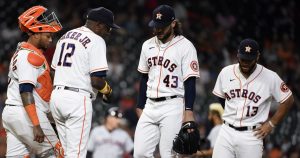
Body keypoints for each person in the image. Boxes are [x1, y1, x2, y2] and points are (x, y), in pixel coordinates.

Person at [50, 7, 120, 158]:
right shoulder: (96, 40)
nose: (109, 32)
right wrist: (108, 91)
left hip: (56, 97)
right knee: (76, 154)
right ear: (99, 24)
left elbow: (53, 72)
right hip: (76, 100)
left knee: (65, 153)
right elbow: (96, 81)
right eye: (108, 27)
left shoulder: (66, 36)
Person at [134, 5, 200, 157]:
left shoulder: (185, 46)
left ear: (173, 24)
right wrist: (139, 105)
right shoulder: (147, 45)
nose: (157, 30)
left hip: (172, 105)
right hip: (150, 105)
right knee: (140, 153)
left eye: (161, 27)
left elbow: (190, 81)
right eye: (155, 26)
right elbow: (144, 76)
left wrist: (188, 110)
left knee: (168, 154)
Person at [212, 38, 294, 158]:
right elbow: (220, 97)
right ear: (237, 55)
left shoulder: (270, 77)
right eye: (243, 59)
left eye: (249, 60)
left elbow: (288, 99)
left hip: (251, 136)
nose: (245, 63)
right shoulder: (226, 72)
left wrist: (271, 124)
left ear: (257, 57)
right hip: (226, 132)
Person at [1, 6, 64, 157]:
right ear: (35, 35)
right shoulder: (30, 56)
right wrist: (36, 124)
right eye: (47, 36)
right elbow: (25, 90)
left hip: (11, 114)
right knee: (58, 153)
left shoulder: (21, 53)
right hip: (26, 114)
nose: (50, 40)